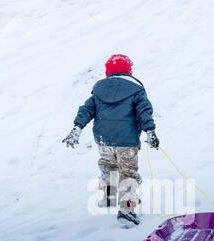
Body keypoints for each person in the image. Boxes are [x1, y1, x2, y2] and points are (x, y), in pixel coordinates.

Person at [62, 54, 159, 226]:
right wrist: (150, 131)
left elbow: (87, 110)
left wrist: (77, 127)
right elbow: (144, 112)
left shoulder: (99, 89)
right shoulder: (136, 89)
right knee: (128, 173)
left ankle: (109, 196)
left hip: (103, 139)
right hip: (126, 140)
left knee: (108, 166)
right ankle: (126, 210)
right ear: (128, 70)